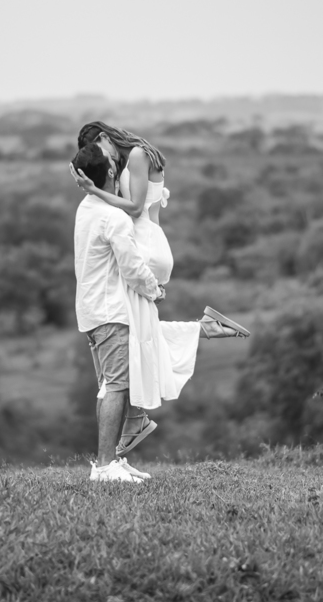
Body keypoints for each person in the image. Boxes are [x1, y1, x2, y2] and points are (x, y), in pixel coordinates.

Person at [71, 121, 249, 463]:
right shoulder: (127, 160)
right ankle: (202, 330)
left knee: (130, 336)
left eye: (97, 146)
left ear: (106, 137)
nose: (101, 156)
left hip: (147, 246)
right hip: (146, 243)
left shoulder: (136, 155)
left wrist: (92, 190)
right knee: (137, 334)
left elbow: (135, 209)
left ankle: (135, 421)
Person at [71, 141, 164, 483]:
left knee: (108, 385)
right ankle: (106, 465)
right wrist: (154, 289)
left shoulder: (87, 207)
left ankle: (111, 461)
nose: (120, 162)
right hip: (110, 311)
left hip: (91, 310)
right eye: (114, 161)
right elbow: (132, 267)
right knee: (117, 387)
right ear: (110, 172)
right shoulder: (114, 217)